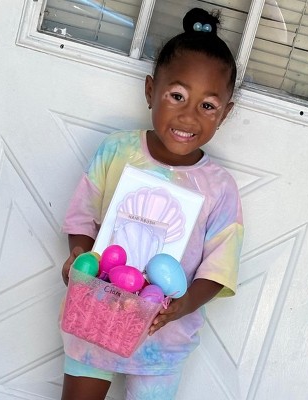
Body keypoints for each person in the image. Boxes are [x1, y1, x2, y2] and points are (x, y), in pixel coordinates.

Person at [60, 7, 244, 400]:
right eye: (177, 96)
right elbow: (82, 215)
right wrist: (80, 257)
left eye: (208, 105)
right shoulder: (117, 150)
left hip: (163, 339)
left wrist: (182, 304)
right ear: (150, 91)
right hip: (95, 314)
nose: (189, 116)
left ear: (225, 114)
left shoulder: (219, 187)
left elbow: (219, 267)